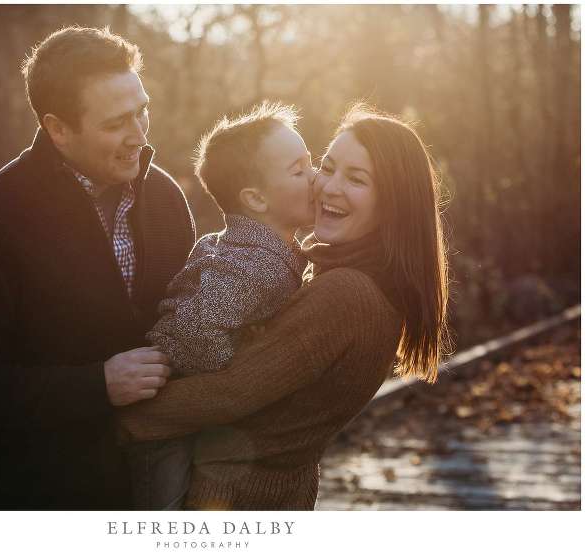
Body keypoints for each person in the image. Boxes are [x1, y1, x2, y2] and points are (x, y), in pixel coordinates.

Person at [119, 103, 450, 510]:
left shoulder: (348, 295)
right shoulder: (336, 278)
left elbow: (232, 392)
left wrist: (112, 415)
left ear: (393, 203)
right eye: (326, 167)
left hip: (237, 500)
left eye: (357, 179)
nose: (327, 186)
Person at [0, 26, 196, 509]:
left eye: (142, 112)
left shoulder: (166, 199)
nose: (138, 136)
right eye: (116, 123)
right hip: (41, 496)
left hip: (159, 489)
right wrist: (97, 386)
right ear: (58, 129)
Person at [129, 101, 314, 509]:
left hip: (189, 419)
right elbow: (194, 331)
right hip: (166, 429)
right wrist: (240, 366)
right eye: (299, 171)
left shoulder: (247, 249)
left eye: (311, 162)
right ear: (256, 199)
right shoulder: (257, 266)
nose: (316, 177)